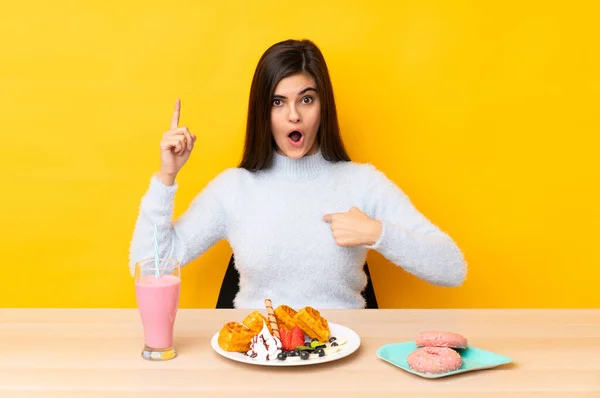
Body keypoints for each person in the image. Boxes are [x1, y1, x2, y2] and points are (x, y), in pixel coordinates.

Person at [129, 39, 467, 309]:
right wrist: (166, 177)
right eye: (278, 103)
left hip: (344, 361)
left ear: (324, 106)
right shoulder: (235, 189)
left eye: (306, 100)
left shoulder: (363, 183)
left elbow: (452, 268)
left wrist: (377, 232)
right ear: (263, 113)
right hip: (256, 360)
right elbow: (148, 264)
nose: (294, 116)